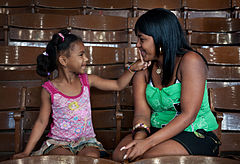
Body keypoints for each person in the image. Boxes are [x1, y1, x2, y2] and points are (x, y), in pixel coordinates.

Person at [13, 29, 150, 159]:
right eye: (81, 55)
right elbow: (42, 121)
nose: (86, 59)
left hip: (86, 141)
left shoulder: (87, 80)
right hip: (59, 142)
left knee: (91, 157)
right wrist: (26, 152)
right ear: (63, 61)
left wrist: (132, 68)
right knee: (62, 159)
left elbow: (118, 85)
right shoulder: (49, 89)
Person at [112, 8, 221, 162]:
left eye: (142, 39)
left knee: (150, 158)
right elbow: (142, 114)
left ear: (160, 38)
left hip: (195, 132)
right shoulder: (143, 69)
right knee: (121, 155)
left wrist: (147, 144)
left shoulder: (190, 61)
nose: (137, 45)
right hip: (157, 131)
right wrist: (140, 139)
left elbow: (188, 115)